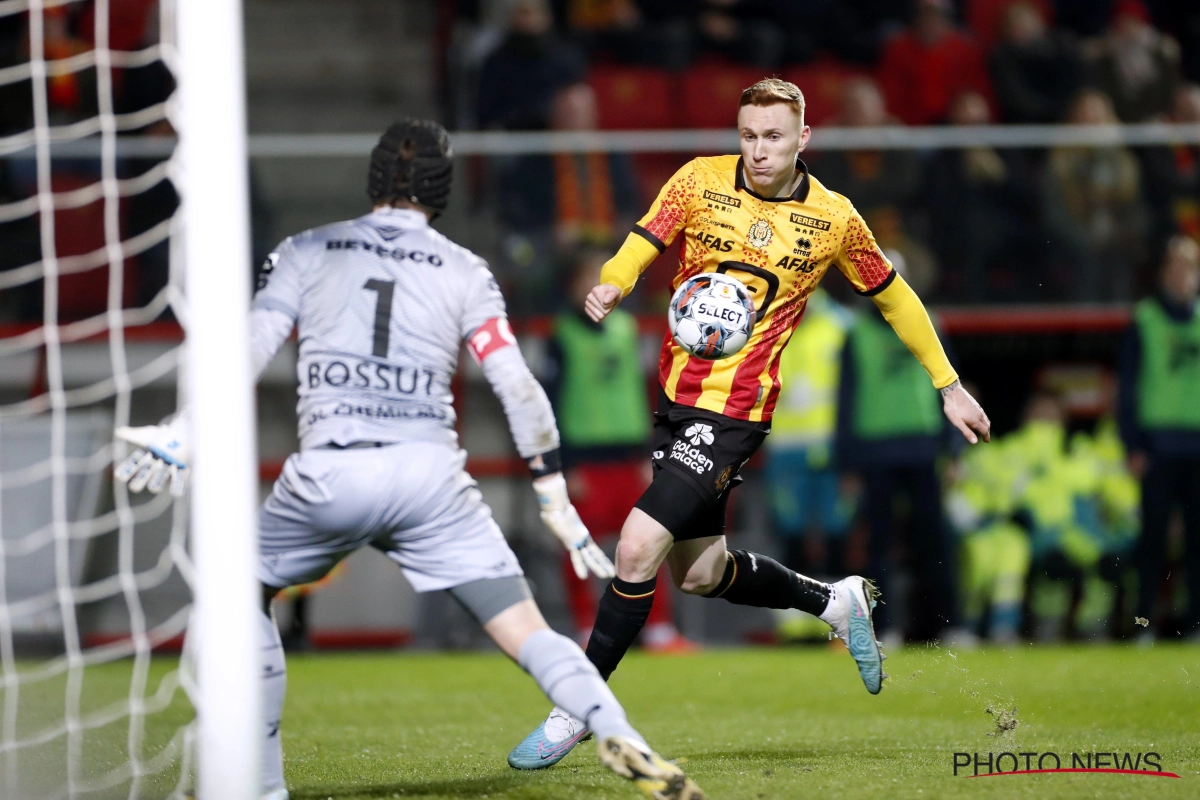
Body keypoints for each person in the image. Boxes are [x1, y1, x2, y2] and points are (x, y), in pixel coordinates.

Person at [113, 119, 703, 800]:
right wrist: (553, 497)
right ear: (443, 190)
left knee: (241, 595)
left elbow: (249, 347)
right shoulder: (464, 268)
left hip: (330, 473)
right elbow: (518, 386)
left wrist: (187, 432)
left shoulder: (305, 249)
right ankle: (615, 728)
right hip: (432, 480)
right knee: (524, 627)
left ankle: (265, 786)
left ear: (373, 180)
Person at [508, 77, 991, 769]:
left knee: (637, 546)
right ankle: (833, 603)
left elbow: (895, 297)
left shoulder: (834, 218)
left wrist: (948, 385)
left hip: (735, 413)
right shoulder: (699, 182)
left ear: (802, 139)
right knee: (701, 573)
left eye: (772, 137)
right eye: (748, 135)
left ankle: (578, 709)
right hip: (678, 402)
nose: (758, 151)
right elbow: (645, 238)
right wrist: (615, 277)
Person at [546, 247, 695, 651]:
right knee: (581, 549)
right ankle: (584, 631)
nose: (598, 283)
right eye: (588, 276)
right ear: (573, 285)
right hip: (586, 461)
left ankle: (658, 629)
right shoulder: (562, 336)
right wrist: (565, 466)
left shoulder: (627, 329)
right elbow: (552, 404)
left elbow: (642, 395)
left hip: (630, 459)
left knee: (649, 544)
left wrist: (652, 453)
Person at [834, 262, 963, 645]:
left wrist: (953, 450)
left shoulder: (928, 325)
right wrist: (847, 463)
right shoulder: (855, 334)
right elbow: (845, 399)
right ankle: (884, 627)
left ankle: (946, 625)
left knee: (934, 541)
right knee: (879, 547)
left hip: (921, 447)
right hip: (876, 451)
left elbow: (950, 387)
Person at [1118, 235, 1200, 642]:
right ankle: (1143, 624)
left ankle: (1195, 625)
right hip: (1159, 445)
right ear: (1164, 274)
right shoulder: (1146, 319)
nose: (1184, 277)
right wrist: (1133, 444)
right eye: (1177, 268)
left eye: (1191, 268)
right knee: (1152, 541)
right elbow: (1128, 387)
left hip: (1197, 444)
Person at [763, 287, 853, 642]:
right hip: (785, 449)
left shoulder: (844, 327)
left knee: (836, 534)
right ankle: (792, 622)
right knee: (791, 535)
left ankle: (838, 621)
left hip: (834, 449)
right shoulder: (771, 328)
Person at [877, 0, 994, 126]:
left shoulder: (966, 51)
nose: (931, 22)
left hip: (954, 127)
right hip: (910, 128)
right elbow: (889, 94)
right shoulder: (898, 50)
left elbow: (979, 92)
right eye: (925, 15)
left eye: (938, 16)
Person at [988, 1, 1084, 124]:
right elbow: (1017, 98)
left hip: (1068, 117)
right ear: (1006, 30)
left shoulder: (1062, 47)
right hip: (1027, 123)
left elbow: (1074, 83)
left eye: (1028, 21)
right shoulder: (1002, 58)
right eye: (1017, 24)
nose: (1025, 28)